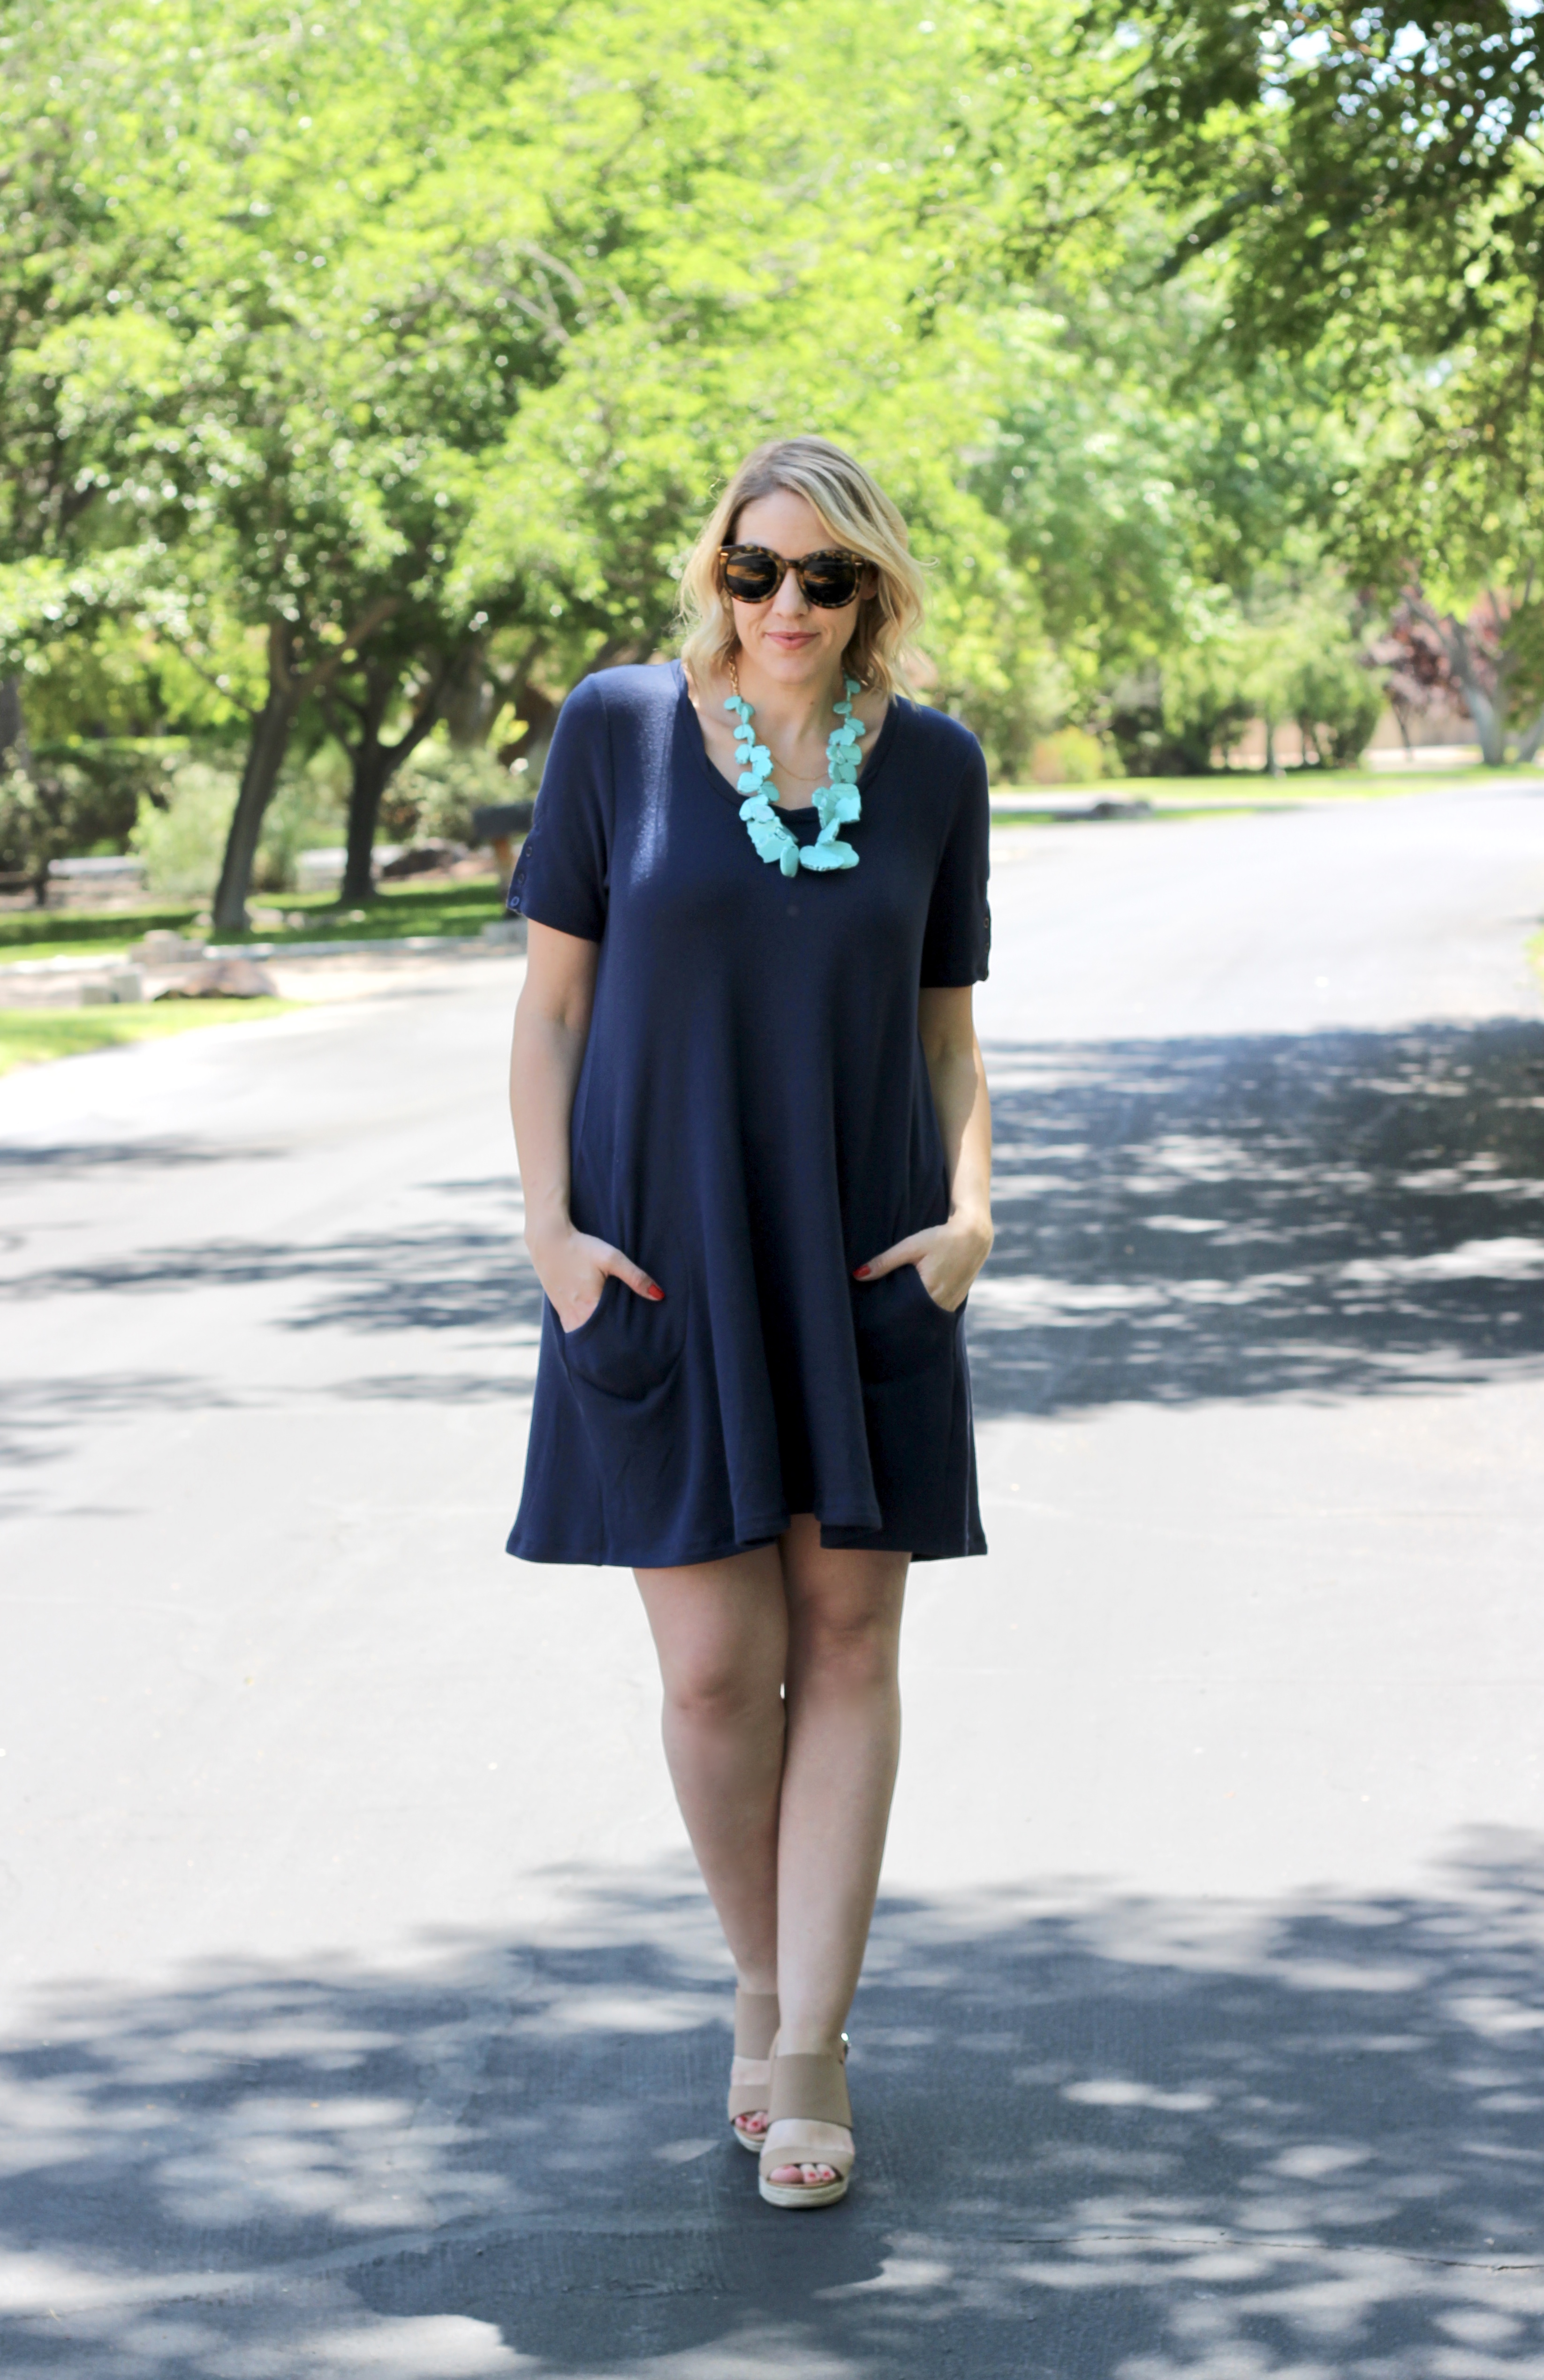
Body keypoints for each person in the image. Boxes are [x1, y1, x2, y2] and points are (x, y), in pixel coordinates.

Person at [505, 435, 993, 2208]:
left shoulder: (932, 768)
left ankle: (810, 2056)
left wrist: (970, 1214)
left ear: (875, 594)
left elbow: (946, 1035)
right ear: (714, 570)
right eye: (754, 570)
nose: (785, 605)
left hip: (864, 1253)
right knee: (718, 1670)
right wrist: (551, 1229)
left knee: (847, 1648)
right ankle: (756, 1979)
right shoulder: (614, 731)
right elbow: (552, 1011)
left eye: (825, 578)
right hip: (659, 1256)